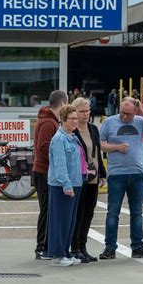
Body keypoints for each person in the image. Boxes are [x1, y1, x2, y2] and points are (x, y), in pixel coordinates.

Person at [99, 97, 143, 260]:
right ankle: (110, 247)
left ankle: (138, 246)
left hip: (137, 173)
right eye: (122, 113)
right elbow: (100, 143)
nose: (125, 117)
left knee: (137, 212)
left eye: (129, 114)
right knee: (113, 212)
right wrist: (116, 147)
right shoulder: (110, 122)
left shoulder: (139, 121)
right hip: (117, 174)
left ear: (135, 111)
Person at [70, 98, 107, 263]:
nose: (85, 114)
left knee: (88, 213)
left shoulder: (93, 129)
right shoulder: (72, 131)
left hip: (93, 177)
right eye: (82, 111)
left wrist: (103, 173)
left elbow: (98, 153)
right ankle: (75, 247)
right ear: (75, 112)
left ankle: (83, 247)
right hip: (79, 178)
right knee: (78, 213)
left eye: (87, 111)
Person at [32, 90, 68, 260]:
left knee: (48, 209)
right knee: (46, 210)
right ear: (62, 104)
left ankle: (45, 246)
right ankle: (41, 247)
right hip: (45, 171)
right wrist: (59, 159)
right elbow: (43, 146)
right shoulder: (48, 123)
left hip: (45, 170)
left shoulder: (48, 120)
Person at [47, 105, 84, 267]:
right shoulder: (59, 139)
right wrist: (66, 185)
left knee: (70, 221)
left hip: (75, 183)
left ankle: (66, 251)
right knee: (61, 220)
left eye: (76, 118)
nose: (75, 121)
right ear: (63, 120)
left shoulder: (72, 137)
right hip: (62, 185)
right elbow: (60, 165)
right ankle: (58, 254)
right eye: (72, 119)